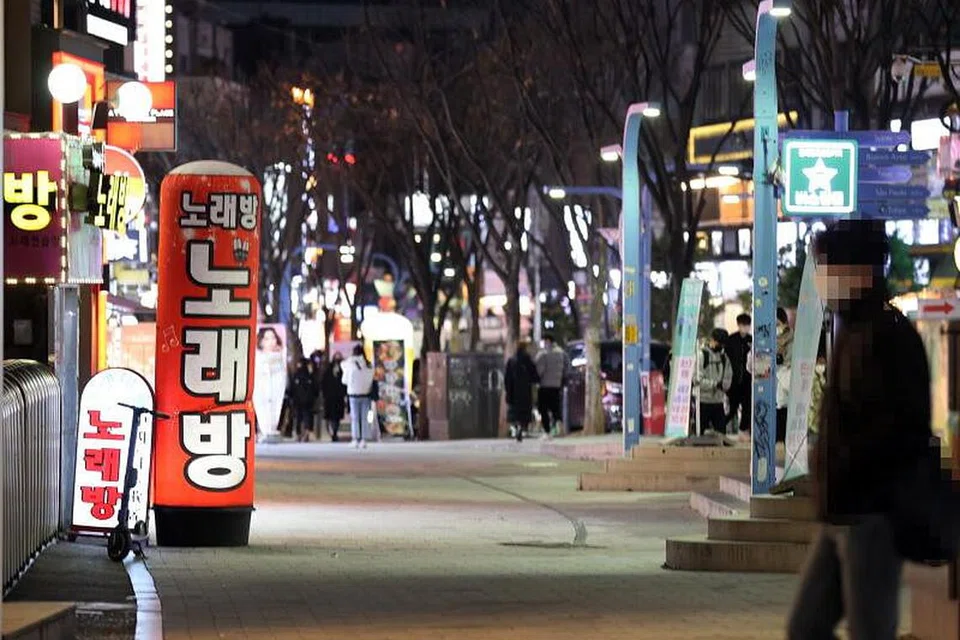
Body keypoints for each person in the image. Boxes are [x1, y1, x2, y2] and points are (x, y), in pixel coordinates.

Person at [787, 219, 932, 640]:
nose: (819, 278)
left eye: (826, 267)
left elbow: (904, 430)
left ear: (858, 271)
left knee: (870, 631)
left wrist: (850, 468)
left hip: (872, 517)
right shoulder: (849, 329)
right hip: (840, 513)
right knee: (805, 627)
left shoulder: (889, 336)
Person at [341, 344, 377, 449]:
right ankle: (364, 439)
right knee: (364, 418)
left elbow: (344, 380)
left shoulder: (350, 364)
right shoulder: (369, 365)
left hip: (353, 394)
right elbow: (371, 379)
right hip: (366, 394)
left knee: (355, 417)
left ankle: (355, 439)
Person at [699, 328, 733, 436]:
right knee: (699, 434)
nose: (721, 347)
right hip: (703, 401)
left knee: (721, 435)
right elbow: (697, 380)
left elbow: (728, 376)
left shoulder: (724, 358)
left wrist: (724, 386)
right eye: (719, 343)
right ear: (712, 340)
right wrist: (714, 384)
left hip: (718, 402)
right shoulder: (702, 355)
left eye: (723, 344)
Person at [724, 313, 752, 440]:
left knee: (747, 407)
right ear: (738, 325)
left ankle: (742, 430)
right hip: (734, 381)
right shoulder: (731, 340)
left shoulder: (751, 340)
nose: (745, 328)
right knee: (732, 407)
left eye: (747, 325)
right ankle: (721, 427)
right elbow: (726, 360)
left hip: (747, 380)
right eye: (743, 325)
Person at [535, 334, 569, 438]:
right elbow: (566, 368)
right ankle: (559, 424)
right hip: (557, 385)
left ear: (547, 341)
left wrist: (536, 379)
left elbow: (539, 370)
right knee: (555, 407)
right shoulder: (562, 353)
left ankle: (547, 431)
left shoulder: (543, 354)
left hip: (545, 385)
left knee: (543, 408)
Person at [505, 342, 540, 442]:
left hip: (513, 391)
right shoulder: (527, 360)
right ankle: (521, 427)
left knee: (514, 412)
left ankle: (516, 427)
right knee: (524, 413)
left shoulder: (511, 361)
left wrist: (508, 390)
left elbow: (507, 378)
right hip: (525, 391)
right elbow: (534, 374)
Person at [776, 307, 794, 443]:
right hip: (773, 386)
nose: (777, 328)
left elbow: (790, 361)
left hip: (786, 385)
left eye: (778, 324)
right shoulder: (769, 339)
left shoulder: (793, 339)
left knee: (784, 412)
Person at [289, 358, 318, 442]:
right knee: (306, 417)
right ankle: (305, 433)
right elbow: (315, 389)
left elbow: (292, 388)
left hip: (299, 401)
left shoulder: (297, 375)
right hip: (306, 401)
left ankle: (300, 434)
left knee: (299, 417)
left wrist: (291, 397)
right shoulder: (309, 376)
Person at [321, 352, 347, 442]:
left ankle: (335, 432)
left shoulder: (344, 369)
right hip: (330, 396)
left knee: (337, 417)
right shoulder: (328, 369)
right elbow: (324, 382)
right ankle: (332, 432)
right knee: (331, 416)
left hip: (338, 396)